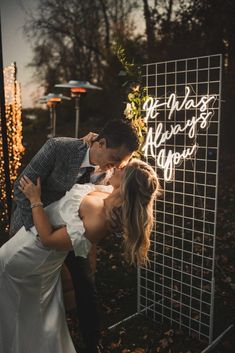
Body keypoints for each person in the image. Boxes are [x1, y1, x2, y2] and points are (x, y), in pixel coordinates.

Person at [0, 159, 160, 353]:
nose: (119, 166)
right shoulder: (108, 192)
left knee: (21, 316)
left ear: (126, 183)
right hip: (24, 244)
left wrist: (35, 200)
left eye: (124, 168)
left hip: (30, 255)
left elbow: (48, 239)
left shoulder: (98, 220)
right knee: (24, 317)